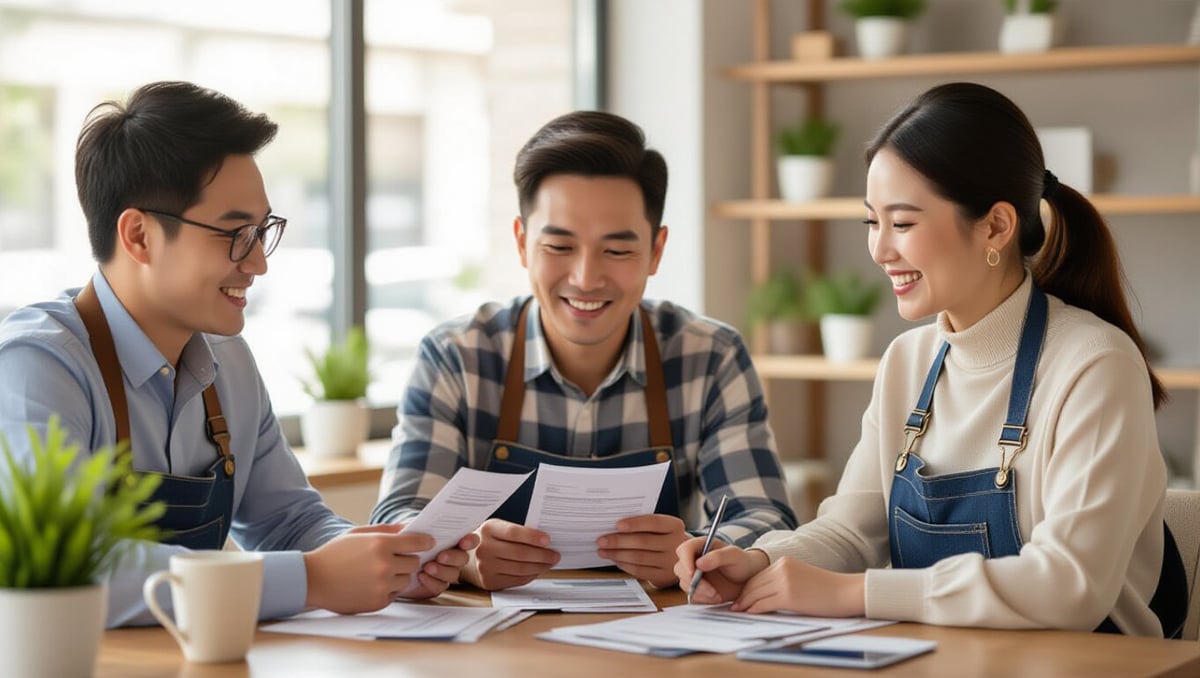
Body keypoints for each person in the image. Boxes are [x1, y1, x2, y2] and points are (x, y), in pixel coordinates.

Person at [675, 82, 1187, 638]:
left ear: (995, 225)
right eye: (872, 222)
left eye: (903, 223)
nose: (879, 249)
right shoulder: (908, 361)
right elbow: (852, 532)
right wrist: (760, 561)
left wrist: (856, 593)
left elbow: (1069, 587)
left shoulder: (1094, 365)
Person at [0, 81, 475, 628]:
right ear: (139, 237)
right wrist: (315, 579)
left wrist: (385, 561)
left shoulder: (230, 361)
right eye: (234, 233)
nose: (258, 263)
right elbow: (71, 564)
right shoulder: (37, 366)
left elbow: (288, 521)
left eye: (261, 231)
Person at [371, 110, 797, 590]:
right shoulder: (457, 356)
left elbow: (768, 522)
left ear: (656, 251)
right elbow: (400, 520)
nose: (586, 278)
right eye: (559, 247)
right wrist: (466, 555)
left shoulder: (711, 357)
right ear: (521, 242)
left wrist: (695, 553)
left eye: (616, 252)